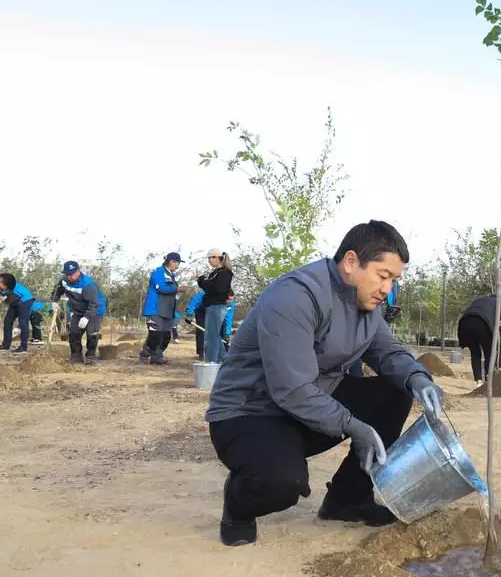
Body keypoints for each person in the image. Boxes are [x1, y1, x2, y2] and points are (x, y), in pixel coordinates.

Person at [204, 220, 444, 547]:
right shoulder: (295, 297)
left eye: (394, 279)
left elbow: (387, 351)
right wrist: (353, 426)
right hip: (250, 413)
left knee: (393, 392)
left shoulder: (367, 305)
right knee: (282, 483)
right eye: (382, 275)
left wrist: (418, 379)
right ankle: (238, 503)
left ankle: (348, 500)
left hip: (310, 406)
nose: (387, 288)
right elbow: (291, 388)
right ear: (350, 262)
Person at [51, 261, 107, 364]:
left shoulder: (88, 285)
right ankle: (76, 356)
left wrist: (86, 317)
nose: (69, 277)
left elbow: (94, 304)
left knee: (92, 334)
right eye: (67, 274)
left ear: (78, 272)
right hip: (77, 311)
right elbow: (57, 290)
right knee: (73, 333)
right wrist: (54, 300)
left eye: (71, 274)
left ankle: (90, 356)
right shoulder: (64, 280)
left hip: (95, 311)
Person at [457, 292, 501, 385]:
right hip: (482, 324)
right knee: (489, 353)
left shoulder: (479, 300)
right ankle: (488, 380)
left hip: (465, 323)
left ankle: (478, 382)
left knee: (475, 353)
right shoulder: (497, 302)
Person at [141, 252, 185, 365]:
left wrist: (178, 292)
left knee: (166, 336)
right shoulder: (158, 272)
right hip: (156, 308)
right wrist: (178, 289)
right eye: (178, 263)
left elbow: (172, 292)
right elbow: (162, 288)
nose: (178, 266)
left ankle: (157, 357)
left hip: (168, 310)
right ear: (172, 261)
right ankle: (145, 353)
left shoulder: (172, 276)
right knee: (155, 335)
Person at [197, 249, 234, 365]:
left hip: (217, 307)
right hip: (212, 307)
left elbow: (217, 288)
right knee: (214, 336)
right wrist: (202, 280)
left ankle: (211, 363)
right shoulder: (215, 273)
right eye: (208, 258)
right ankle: (224, 363)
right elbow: (208, 287)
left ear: (218, 258)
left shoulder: (224, 273)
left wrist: (203, 280)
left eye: (211, 257)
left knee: (211, 337)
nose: (209, 260)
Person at [0, 275, 37, 353]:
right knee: (7, 321)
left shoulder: (8, 284)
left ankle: (23, 346)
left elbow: (10, 292)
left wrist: (4, 293)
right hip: (14, 302)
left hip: (24, 300)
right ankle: (6, 345)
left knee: (23, 323)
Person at [185, 289, 209, 359]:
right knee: (201, 331)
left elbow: (228, 316)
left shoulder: (227, 301)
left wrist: (227, 332)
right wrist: (189, 314)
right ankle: (201, 353)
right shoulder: (203, 293)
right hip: (200, 311)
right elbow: (193, 302)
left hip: (214, 311)